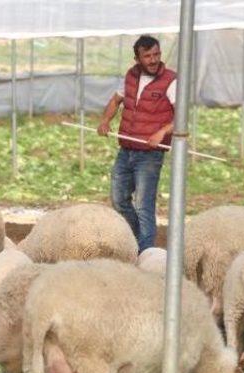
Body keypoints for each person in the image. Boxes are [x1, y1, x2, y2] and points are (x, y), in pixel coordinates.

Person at [97, 35, 176, 253]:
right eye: (148, 55)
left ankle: (146, 253)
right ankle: (135, 240)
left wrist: (162, 132)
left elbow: (182, 116)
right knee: (118, 199)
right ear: (137, 58)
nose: (153, 60)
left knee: (143, 206)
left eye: (157, 54)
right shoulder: (130, 76)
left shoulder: (171, 80)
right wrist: (105, 121)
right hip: (126, 150)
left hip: (150, 154)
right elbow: (115, 100)